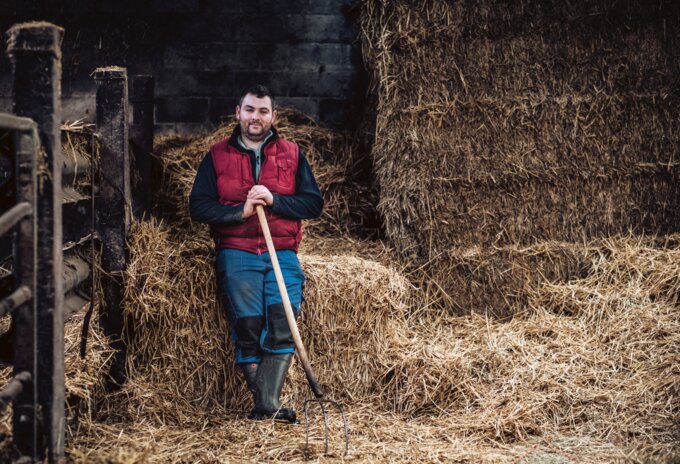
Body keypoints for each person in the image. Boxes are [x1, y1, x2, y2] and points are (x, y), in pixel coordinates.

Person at [189, 85, 323, 423]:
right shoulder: (217, 155)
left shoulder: (292, 154)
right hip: (237, 252)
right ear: (238, 113)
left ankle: (266, 404)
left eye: (263, 111)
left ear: (273, 117)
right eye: (249, 110)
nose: (255, 117)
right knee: (248, 327)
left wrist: (276, 200)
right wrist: (241, 212)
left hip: (282, 252)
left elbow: (313, 203)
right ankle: (268, 403)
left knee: (282, 323)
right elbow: (198, 207)